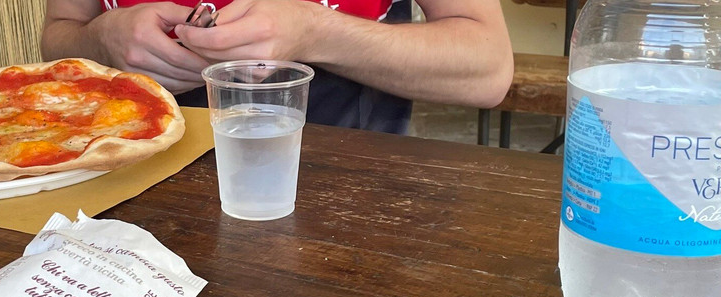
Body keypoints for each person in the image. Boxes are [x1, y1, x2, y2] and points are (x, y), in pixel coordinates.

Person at [40, 0, 514, 132]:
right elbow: (60, 34)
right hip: (118, 196)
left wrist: (317, 32)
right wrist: (99, 39)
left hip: (347, 200)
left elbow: (487, 68)